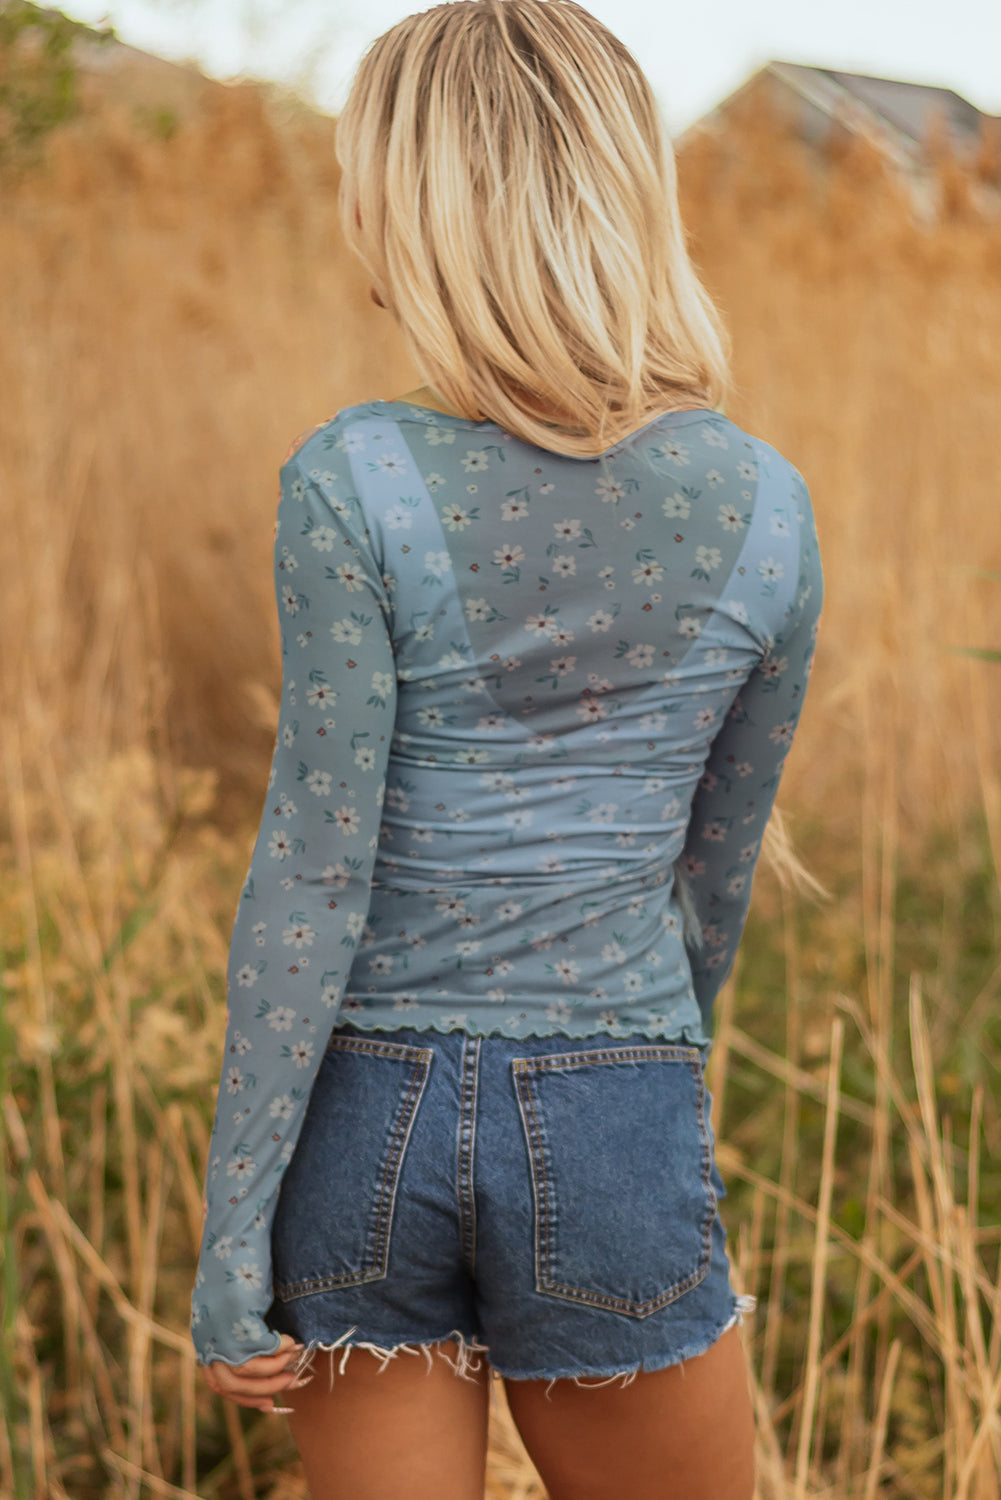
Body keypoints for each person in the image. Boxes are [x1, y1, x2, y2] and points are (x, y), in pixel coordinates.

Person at [190, 2, 824, 1495]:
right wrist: (627, 1104)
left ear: (414, 202)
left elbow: (309, 882)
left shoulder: (351, 479)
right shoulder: (765, 508)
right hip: (610, 1097)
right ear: (621, 186)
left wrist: (234, 1235)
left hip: (360, 1120)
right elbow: (710, 890)